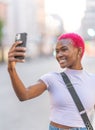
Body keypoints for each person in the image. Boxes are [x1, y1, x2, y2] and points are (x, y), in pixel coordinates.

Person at [8, 32, 95, 130]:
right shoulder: (51, 78)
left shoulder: (93, 80)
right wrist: (11, 69)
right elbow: (24, 95)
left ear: (79, 51)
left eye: (64, 49)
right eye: (57, 51)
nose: (59, 55)